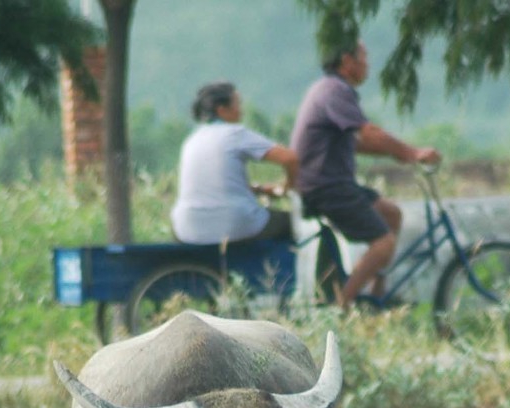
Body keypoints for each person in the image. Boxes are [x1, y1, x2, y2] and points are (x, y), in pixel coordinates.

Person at [290, 39, 441, 307]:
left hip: (332, 184)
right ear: (348, 62)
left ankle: (377, 295)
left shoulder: (329, 89)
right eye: (364, 57)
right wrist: (411, 153)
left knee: (392, 214)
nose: (368, 64)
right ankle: (342, 306)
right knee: (382, 243)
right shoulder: (334, 90)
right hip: (327, 187)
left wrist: (400, 154)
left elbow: (361, 143)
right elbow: (368, 132)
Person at [171, 81, 297, 245]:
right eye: (237, 104)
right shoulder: (235, 133)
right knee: (296, 223)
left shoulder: (192, 140)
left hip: (186, 228)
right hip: (234, 224)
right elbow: (290, 159)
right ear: (222, 110)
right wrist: (289, 186)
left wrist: (255, 189)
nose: (241, 111)